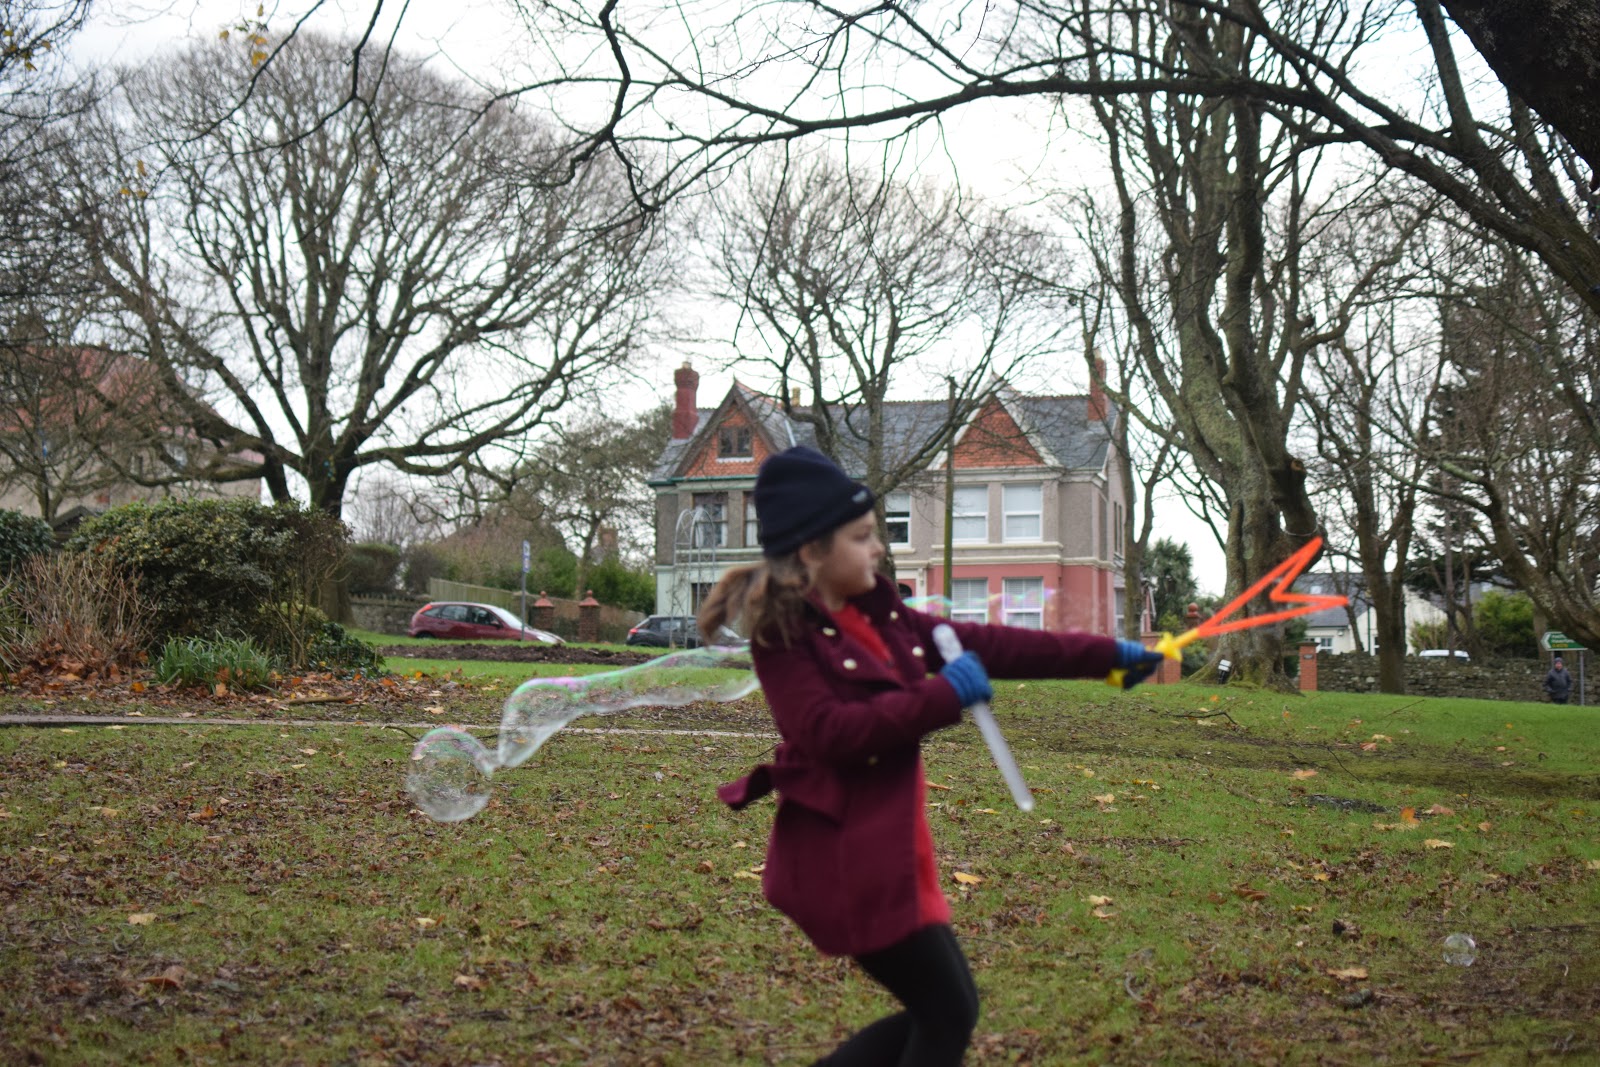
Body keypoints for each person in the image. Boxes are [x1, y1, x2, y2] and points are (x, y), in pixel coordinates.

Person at [700, 446, 1165, 1066]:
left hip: (892, 850)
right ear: (812, 552)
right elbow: (828, 733)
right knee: (948, 1011)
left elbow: (996, 643)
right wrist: (942, 695)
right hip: (844, 863)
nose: (879, 549)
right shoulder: (783, 637)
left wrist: (1104, 655)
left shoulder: (885, 618)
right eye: (862, 537)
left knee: (944, 1011)